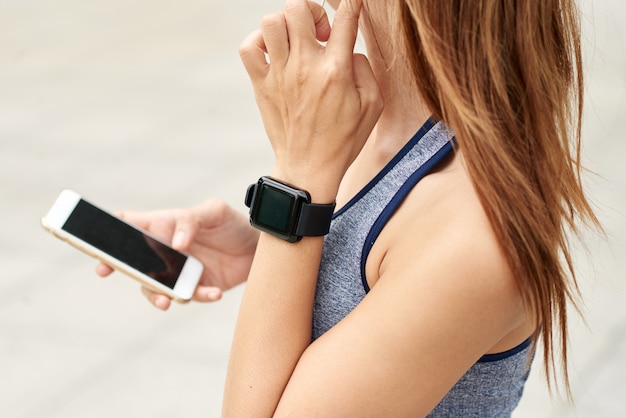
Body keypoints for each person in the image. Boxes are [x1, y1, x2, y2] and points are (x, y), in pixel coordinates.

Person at [97, 0, 599, 416]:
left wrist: (295, 184)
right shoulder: (383, 119)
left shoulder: (473, 236)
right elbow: (381, 276)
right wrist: (259, 249)